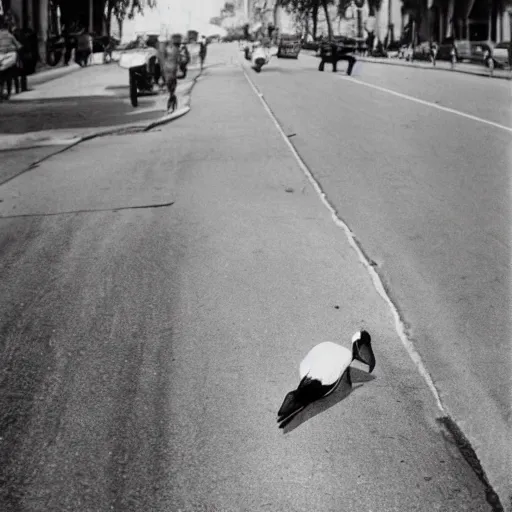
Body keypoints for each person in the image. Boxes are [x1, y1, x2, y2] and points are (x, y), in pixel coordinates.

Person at [158, 33, 181, 112]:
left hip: (169, 69)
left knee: (170, 86)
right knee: (171, 86)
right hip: (170, 69)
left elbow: (162, 60)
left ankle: (171, 102)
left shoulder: (170, 49)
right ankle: (172, 101)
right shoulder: (175, 49)